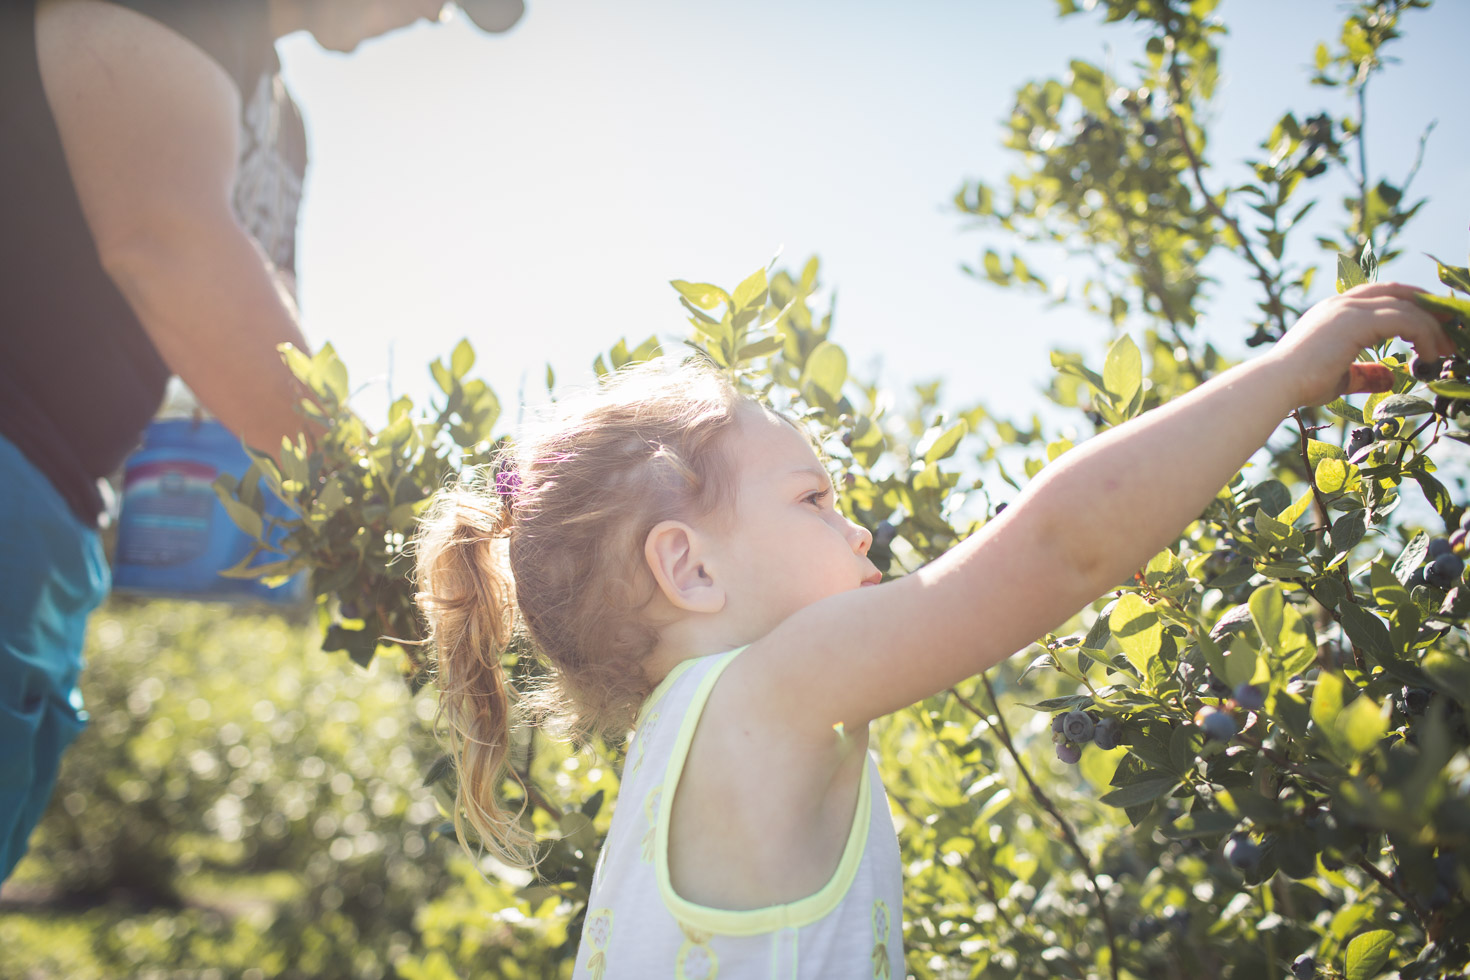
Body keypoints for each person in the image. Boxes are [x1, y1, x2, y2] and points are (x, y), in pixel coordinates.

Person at [412, 283, 1448, 976]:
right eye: (815, 498)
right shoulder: (766, 694)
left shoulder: (675, 761)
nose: (858, 523)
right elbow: (1060, 549)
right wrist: (1283, 373)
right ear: (688, 566)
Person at [0, 0, 525, 883]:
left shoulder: (283, 127)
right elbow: (168, 244)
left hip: (59, 505)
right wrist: (392, 527)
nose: (438, 14)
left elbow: (262, 335)